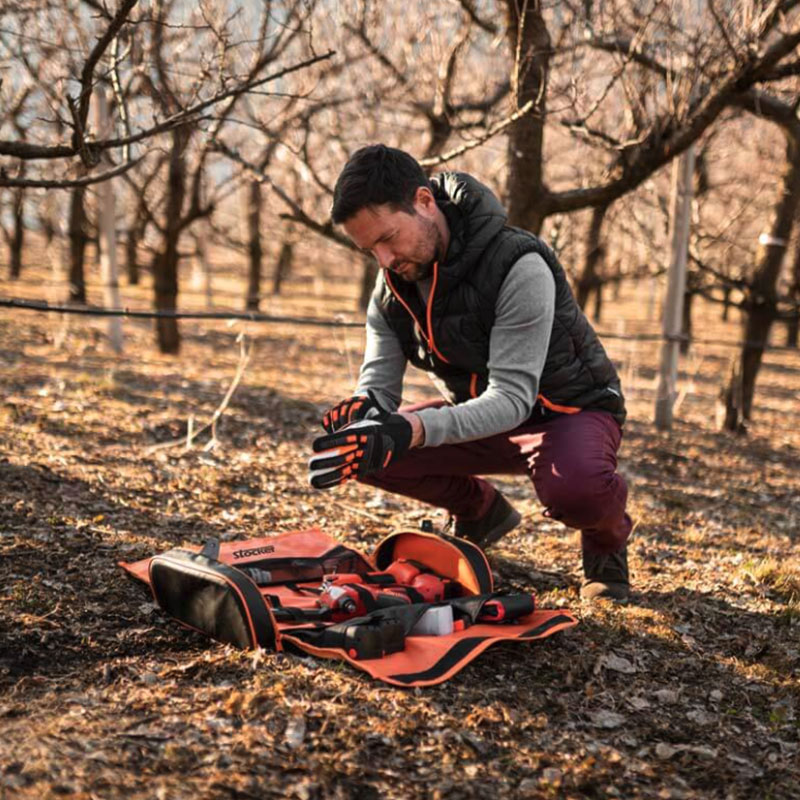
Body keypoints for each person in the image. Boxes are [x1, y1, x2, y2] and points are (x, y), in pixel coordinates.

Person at [308, 144, 632, 601]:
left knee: (576, 492)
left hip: (569, 411)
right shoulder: (392, 288)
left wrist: (414, 428)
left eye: (388, 238)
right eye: (369, 250)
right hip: (483, 416)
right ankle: (480, 511)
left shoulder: (519, 265)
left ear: (424, 202)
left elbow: (513, 399)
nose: (384, 261)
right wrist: (364, 411)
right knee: (365, 448)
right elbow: (378, 382)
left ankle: (606, 539)